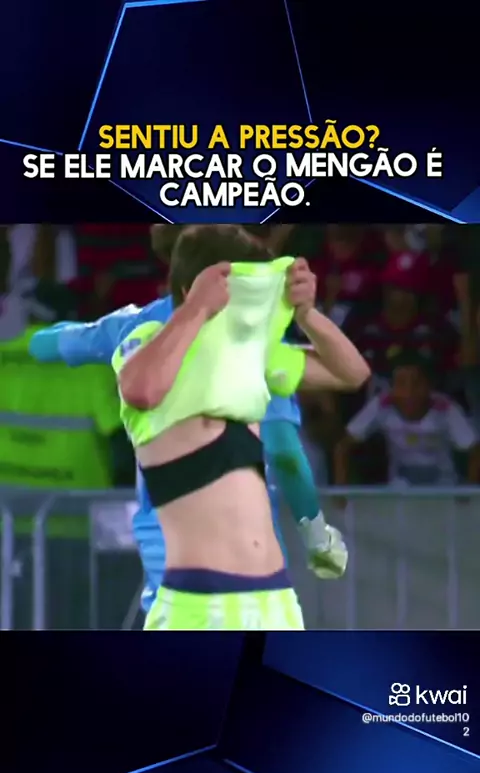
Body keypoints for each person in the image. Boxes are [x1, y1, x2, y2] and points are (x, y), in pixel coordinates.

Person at [29, 235, 348, 621]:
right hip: (250, 576)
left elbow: (43, 344)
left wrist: (56, 330)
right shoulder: (252, 346)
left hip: (166, 567)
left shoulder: (131, 328)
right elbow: (284, 453)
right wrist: (317, 538)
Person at [114, 224, 370, 629]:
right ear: (194, 290)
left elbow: (352, 373)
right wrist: (197, 308)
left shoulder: (252, 357)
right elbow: (140, 390)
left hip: (277, 601)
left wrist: (307, 315)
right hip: (199, 607)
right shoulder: (149, 342)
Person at [334, 351, 480, 488]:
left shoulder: (446, 408)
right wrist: (341, 496)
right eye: (401, 383)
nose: (409, 392)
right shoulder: (382, 405)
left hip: (444, 489)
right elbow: (342, 447)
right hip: (399, 491)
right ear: (391, 386)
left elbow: (475, 451)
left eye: (417, 384)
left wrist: (468, 497)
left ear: (430, 385)